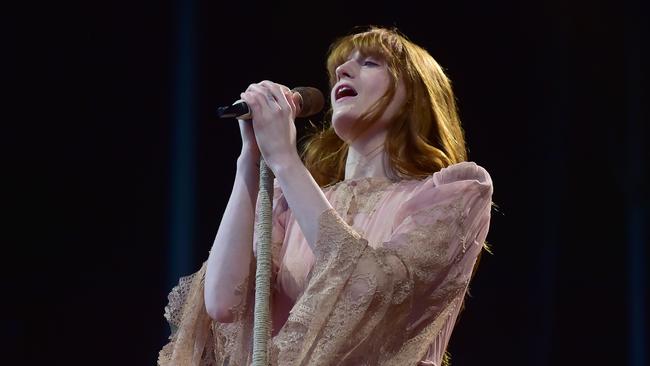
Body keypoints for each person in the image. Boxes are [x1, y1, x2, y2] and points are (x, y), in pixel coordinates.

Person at [158, 25, 494, 366]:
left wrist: (286, 160)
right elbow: (223, 303)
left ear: (417, 95)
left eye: (371, 62)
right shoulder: (290, 205)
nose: (342, 70)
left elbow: (368, 293)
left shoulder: (454, 194)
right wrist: (251, 159)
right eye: (341, 65)